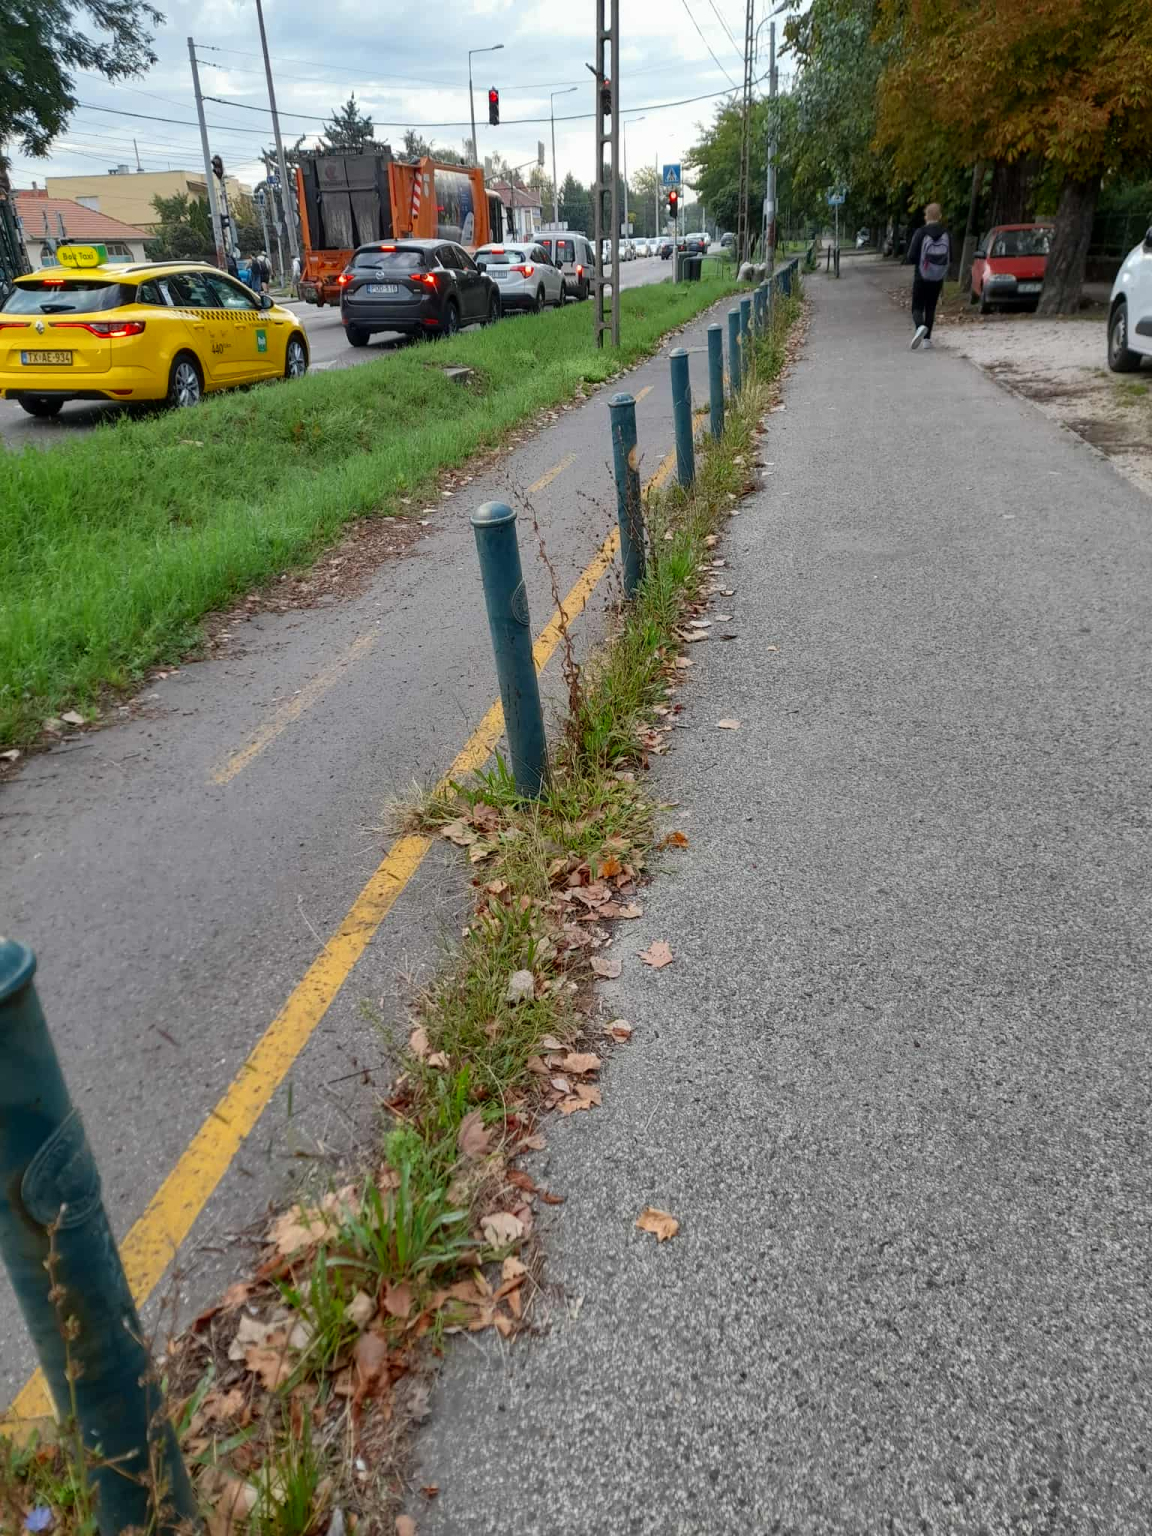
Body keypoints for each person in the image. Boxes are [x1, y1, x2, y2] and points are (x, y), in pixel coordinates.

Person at [905, 203, 951, 350]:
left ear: (926, 217)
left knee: (917, 307)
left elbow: (911, 256)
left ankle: (920, 327)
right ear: (940, 216)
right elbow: (951, 256)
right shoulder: (946, 233)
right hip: (938, 276)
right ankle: (927, 340)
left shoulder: (920, 233)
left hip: (921, 275)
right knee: (931, 307)